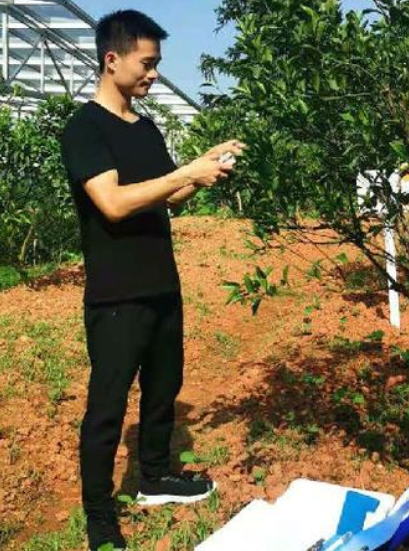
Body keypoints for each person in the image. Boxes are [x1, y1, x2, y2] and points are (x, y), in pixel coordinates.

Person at [59, 9, 245, 551]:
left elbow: (169, 193)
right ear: (111, 59)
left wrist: (203, 168)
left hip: (162, 283)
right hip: (117, 294)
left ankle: (156, 475)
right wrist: (183, 173)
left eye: (157, 65)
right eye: (147, 64)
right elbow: (113, 203)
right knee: (107, 407)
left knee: (164, 387)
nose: (154, 75)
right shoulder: (85, 129)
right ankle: (99, 515)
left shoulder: (145, 127)